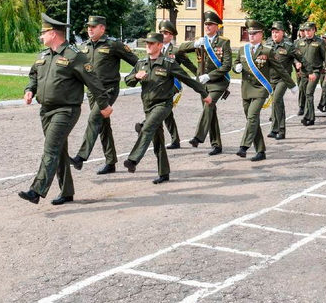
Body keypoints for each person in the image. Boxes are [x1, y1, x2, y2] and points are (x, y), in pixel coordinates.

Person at [19, 14, 113, 205]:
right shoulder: (43, 55)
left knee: (51, 148)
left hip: (66, 110)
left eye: (43, 33)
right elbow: (34, 75)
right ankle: (67, 191)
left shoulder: (74, 55)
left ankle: (36, 191)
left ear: (53, 34)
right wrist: (29, 89)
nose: (41, 36)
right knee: (59, 150)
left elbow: (93, 81)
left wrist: (104, 105)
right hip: (46, 110)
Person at [122, 33, 211, 183]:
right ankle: (164, 173)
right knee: (157, 141)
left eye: (151, 43)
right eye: (147, 43)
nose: (148, 46)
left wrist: (204, 93)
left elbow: (187, 79)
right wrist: (136, 77)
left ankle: (133, 160)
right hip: (148, 106)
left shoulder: (168, 64)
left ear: (159, 45)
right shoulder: (141, 63)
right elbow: (128, 81)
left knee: (147, 127)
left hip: (163, 104)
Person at [70, 15, 138, 175]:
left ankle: (81, 157)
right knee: (103, 126)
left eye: (93, 26)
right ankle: (111, 161)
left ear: (102, 28)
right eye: (88, 26)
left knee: (94, 119)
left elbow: (137, 62)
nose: (90, 29)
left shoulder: (113, 45)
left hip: (108, 90)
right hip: (92, 92)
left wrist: (137, 76)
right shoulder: (84, 46)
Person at [232, 20, 297, 161]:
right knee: (252, 121)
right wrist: (235, 67)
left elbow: (280, 69)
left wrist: (291, 85)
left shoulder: (267, 51)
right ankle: (261, 151)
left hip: (260, 90)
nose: (251, 36)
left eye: (254, 33)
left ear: (261, 34)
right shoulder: (243, 50)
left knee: (252, 117)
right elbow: (236, 62)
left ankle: (244, 146)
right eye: (249, 33)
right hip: (246, 90)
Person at [176, 10, 232, 155]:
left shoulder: (224, 42)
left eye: (211, 24)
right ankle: (217, 145)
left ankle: (198, 137)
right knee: (210, 112)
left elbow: (227, 65)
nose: (207, 26)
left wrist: (209, 75)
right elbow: (180, 50)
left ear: (217, 27)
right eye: (206, 24)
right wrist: (194, 44)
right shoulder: (200, 41)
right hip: (203, 84)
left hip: (219, 82)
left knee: (209, 104)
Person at [157, 20, 197, 150]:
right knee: (167, 111)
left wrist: (199, 76)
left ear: (171, 35)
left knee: (162, 106)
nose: (163, 35)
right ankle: (175, 140)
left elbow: (189, 65)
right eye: (161, 32)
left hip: (173, 84)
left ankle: (146, 125)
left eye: (166, 33)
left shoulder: (176, 50)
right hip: (158, 84)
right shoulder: (155, 48)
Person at [294, 21, 326, 126]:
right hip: (303, 72)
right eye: (305, 30)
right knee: (304, 93)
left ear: (314, 30)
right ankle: (309, 115)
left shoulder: (320, 42)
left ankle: (309, 117)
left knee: (309, 93)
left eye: (309, 30)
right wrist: (296, 62)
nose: (307, 32)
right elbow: (294, 56)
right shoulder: (299, 42)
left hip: (315, 71)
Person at [266, 21, 297, 140]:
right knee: (276, 102)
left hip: (284, 78)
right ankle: (275, 129)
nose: (274, 34)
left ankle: (281, 129)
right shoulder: (268, 44)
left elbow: (300, 58)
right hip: (271, 78)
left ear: (282, 33)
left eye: (277, 32)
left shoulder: (288, 46)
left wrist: (306, 70)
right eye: (273, 32)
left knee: (277, 99)